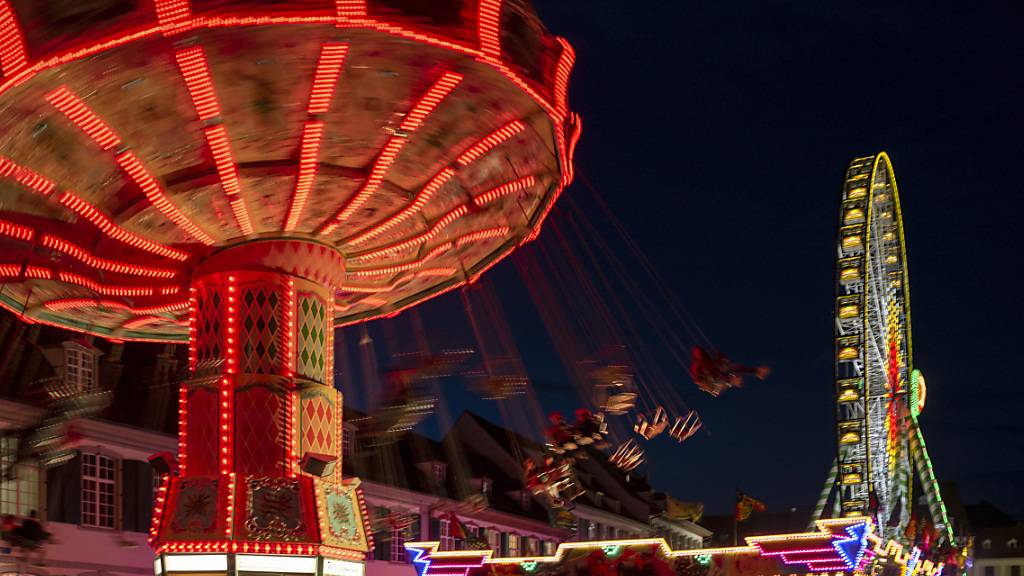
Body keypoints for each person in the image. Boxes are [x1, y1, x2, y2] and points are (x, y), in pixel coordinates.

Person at [690, 347, 769, 396]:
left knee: (733, 368)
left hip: (714, 375)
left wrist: (721, 358)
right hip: (711, 382)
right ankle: (732, 380)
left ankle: (757, 371)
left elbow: (730, 366)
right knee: (721, 375)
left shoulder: (709, 360)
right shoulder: (698, 366)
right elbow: (699, 380)